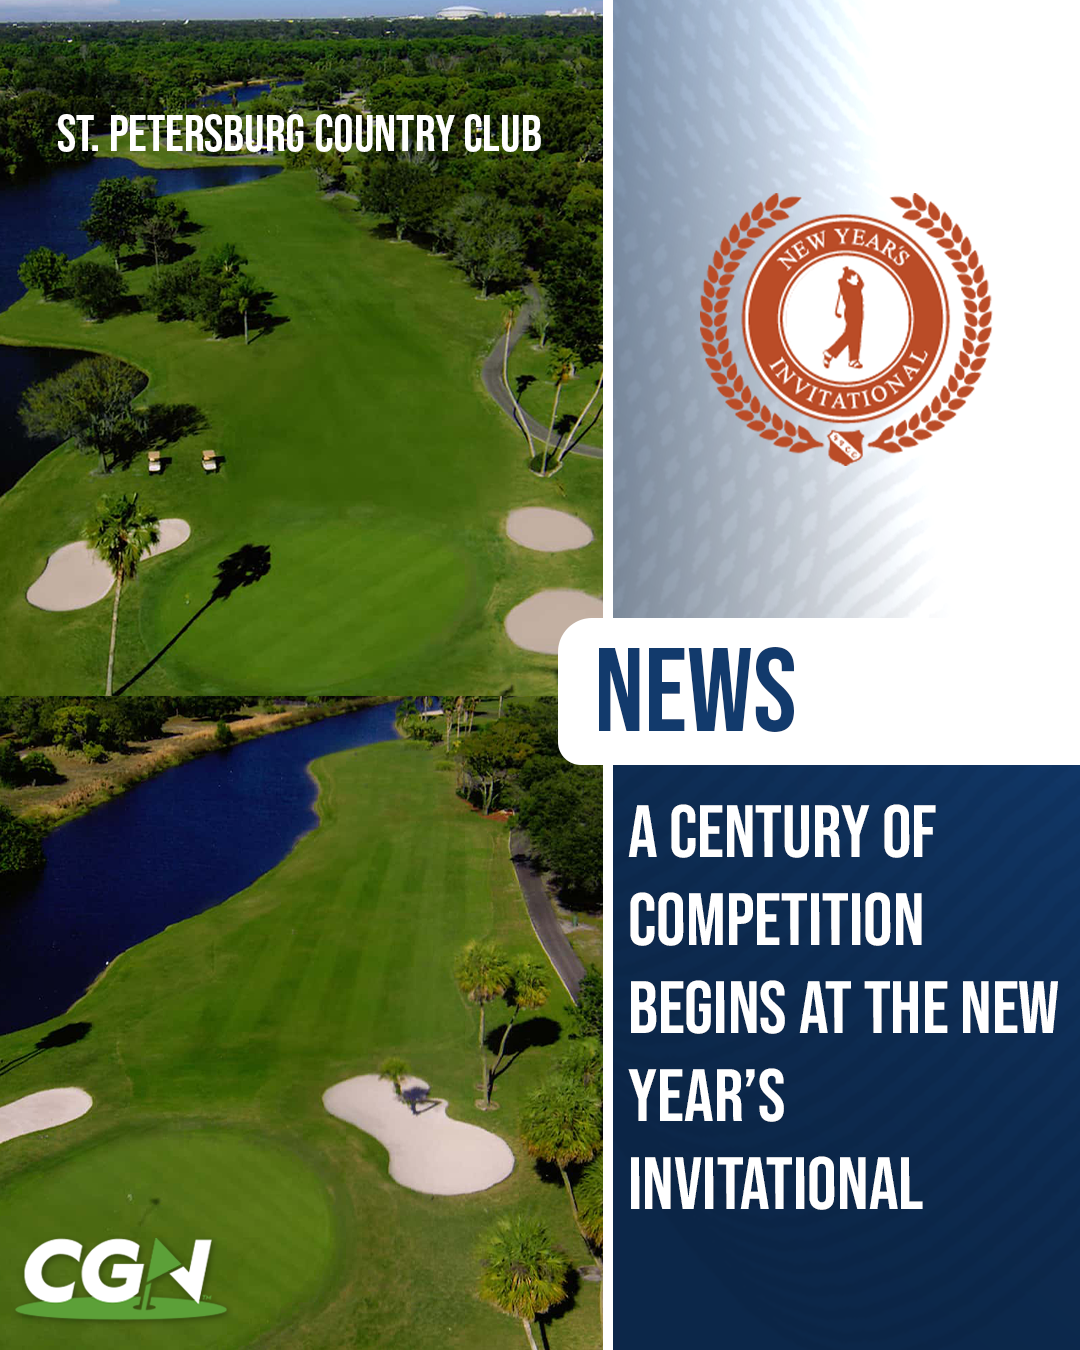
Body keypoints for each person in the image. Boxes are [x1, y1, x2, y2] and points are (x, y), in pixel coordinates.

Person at [823, 267, 864, 369]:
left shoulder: (856, 286)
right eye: (855, 278)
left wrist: (849, 272)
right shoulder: (846, 288)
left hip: (859, 314)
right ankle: (830, 352)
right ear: (848, 280)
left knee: (855, 336)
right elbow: (843, 282)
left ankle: (853, 360)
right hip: (852, 314)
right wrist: (846, 274)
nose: (858, 280)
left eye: (857, 278)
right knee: (850, 335)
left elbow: (862, 283)